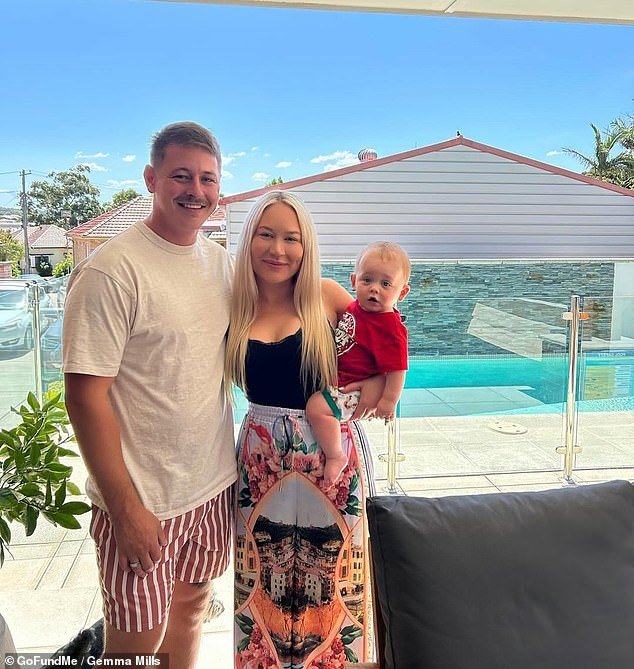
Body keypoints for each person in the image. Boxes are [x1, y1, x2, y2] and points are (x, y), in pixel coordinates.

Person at [62, 121, 235, 668]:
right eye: (181, 175)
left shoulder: (220, 264)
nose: (196, 190)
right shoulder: (112, 271)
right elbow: (84, 398)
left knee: (191, 610)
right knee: (136, 643)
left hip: (211, 489)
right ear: (151, 178)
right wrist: (125, 509)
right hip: (143, 500)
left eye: (207, 178)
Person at [225, 190, 380, 669]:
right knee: (260, 581)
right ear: (249, 240)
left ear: (306, 245)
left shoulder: (327, 298)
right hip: (259, 461)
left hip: (330, 459)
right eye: (266, 235)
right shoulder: (234, 305)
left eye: (291, 238)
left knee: (333, 578)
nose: (278, 249)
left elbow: (381, 358)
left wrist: (345, 405)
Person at [306, 241, 410, 488]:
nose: (374, 289)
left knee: (316, 408)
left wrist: (388, 401)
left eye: (385, 284)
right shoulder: (354, 308)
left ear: (402, 293)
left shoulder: (389, 327)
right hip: (342, 382)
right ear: (353, 281)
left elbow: (398, 368)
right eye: (367, 280)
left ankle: (335, 455)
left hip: (352, 390)